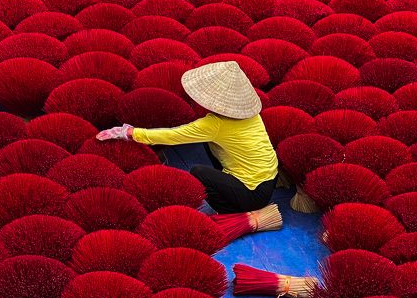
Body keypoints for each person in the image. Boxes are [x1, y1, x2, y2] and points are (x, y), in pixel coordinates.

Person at [97, 61, 280, 226]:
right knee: (208, 143)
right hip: (270, 180)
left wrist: (131, 133)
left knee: (199, 172)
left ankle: (229, 211)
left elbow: (173, 135)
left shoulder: (214, 125)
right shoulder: (250, 114)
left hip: (251, 193)